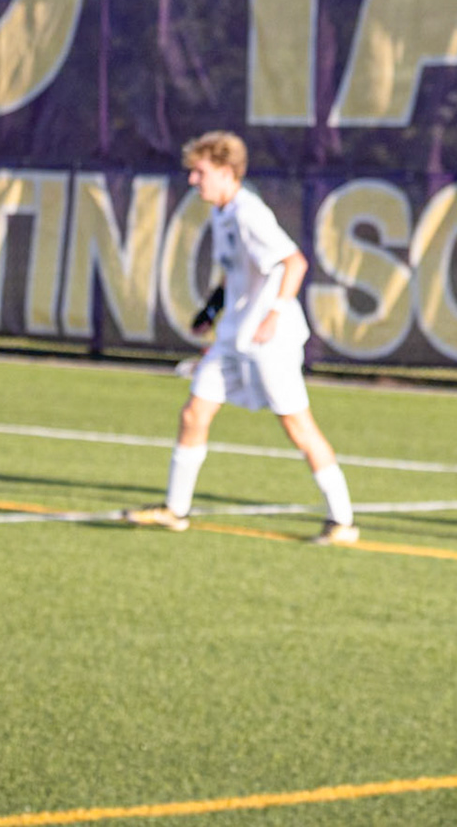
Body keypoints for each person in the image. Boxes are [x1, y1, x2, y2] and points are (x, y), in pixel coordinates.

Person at [126, 131, 358, 545]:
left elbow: (294, 263)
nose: (193, 181)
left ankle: (342, 520)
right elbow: (234, 273)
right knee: (194, 414)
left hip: (269, 340)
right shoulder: (222, 212)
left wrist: (273, 315)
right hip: (234, 336)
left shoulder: (250, 212)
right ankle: (175, 510)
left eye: (200, 172)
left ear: (226, 172)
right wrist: (211, 311)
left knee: (297, 426)